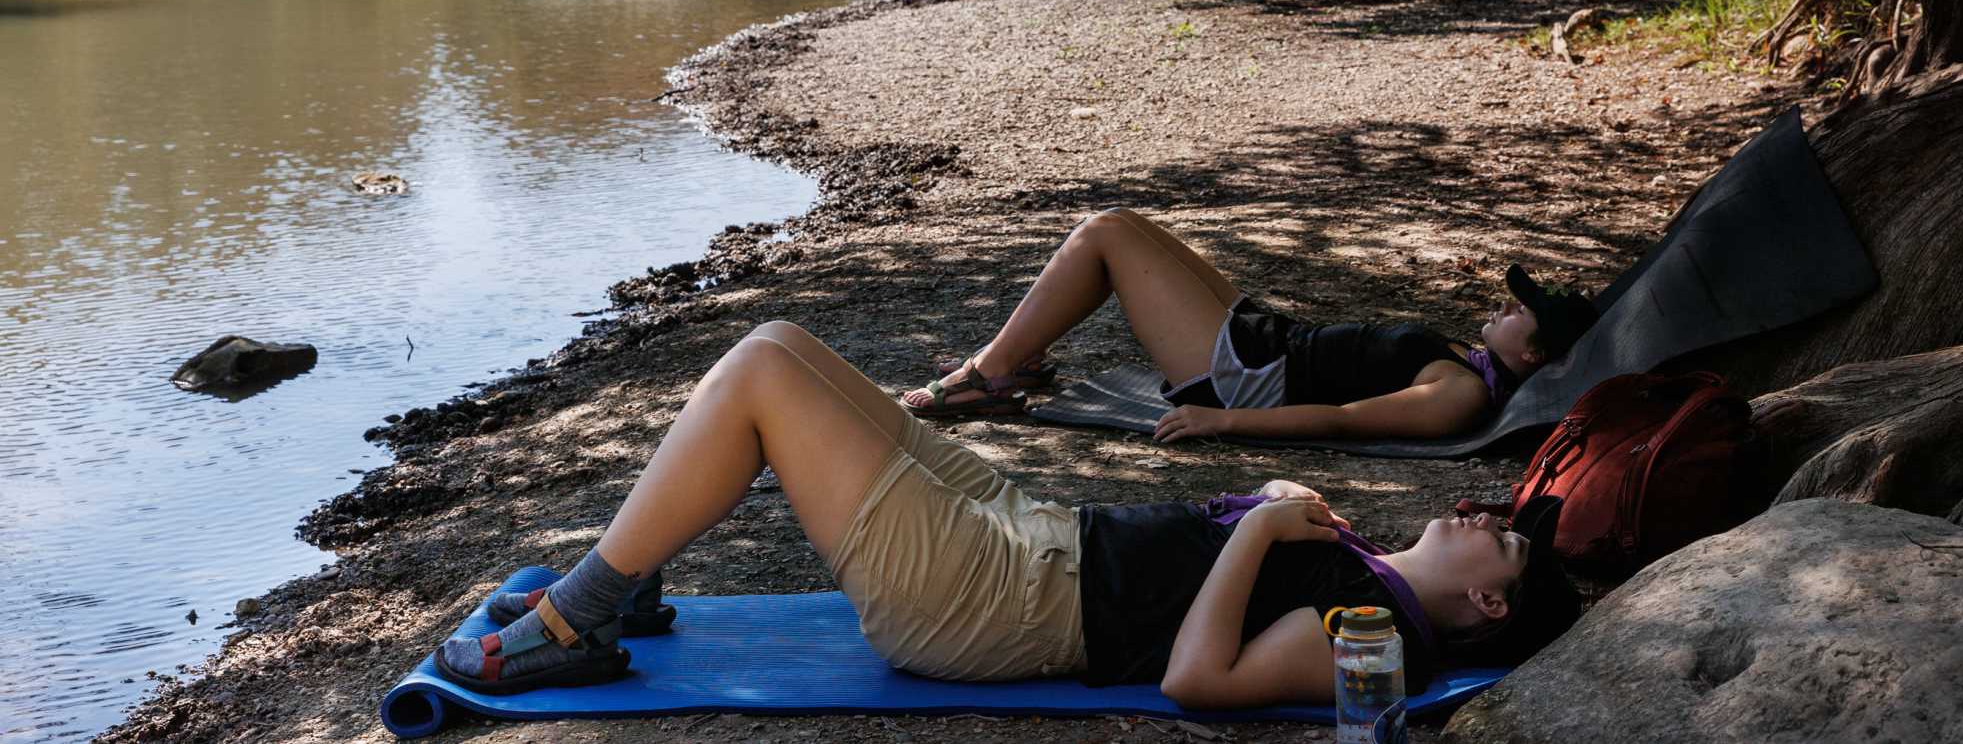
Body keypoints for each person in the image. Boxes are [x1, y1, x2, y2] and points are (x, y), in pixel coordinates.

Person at [431, 321, 1580, 706]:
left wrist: (1259, 525)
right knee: (778, 347)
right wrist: (1280, 516)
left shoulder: (1375, 640)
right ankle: (621, 580)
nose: (1483, 515)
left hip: (989, 606)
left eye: (1504, 539)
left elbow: (1196, 683)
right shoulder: (1364, 576)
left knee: (757, 383)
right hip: (1024, 533)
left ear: (1486, 599)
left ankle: (577, 623)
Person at [903, 208, 1598, 442]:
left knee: (1105, 234)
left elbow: (1344, 420)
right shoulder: (1468, 363)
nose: (1504, 305)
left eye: (1518, 311)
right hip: (1262, 340)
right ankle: (1012, 359)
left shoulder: (1462, 393)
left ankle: (987, 377)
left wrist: (1219, 422)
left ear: (1534, 355)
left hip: (1243, 379)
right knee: (1130, 226)